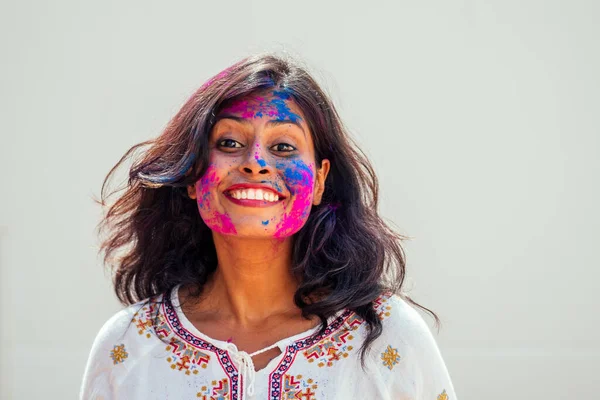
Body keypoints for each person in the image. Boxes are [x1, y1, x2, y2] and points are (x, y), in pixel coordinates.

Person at [80, 53, 458, 400]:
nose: (256, 162)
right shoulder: (130, 346)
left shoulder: (387, 338)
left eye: (283, 147)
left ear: (320, 181)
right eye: (229, 142)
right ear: (194, 174)